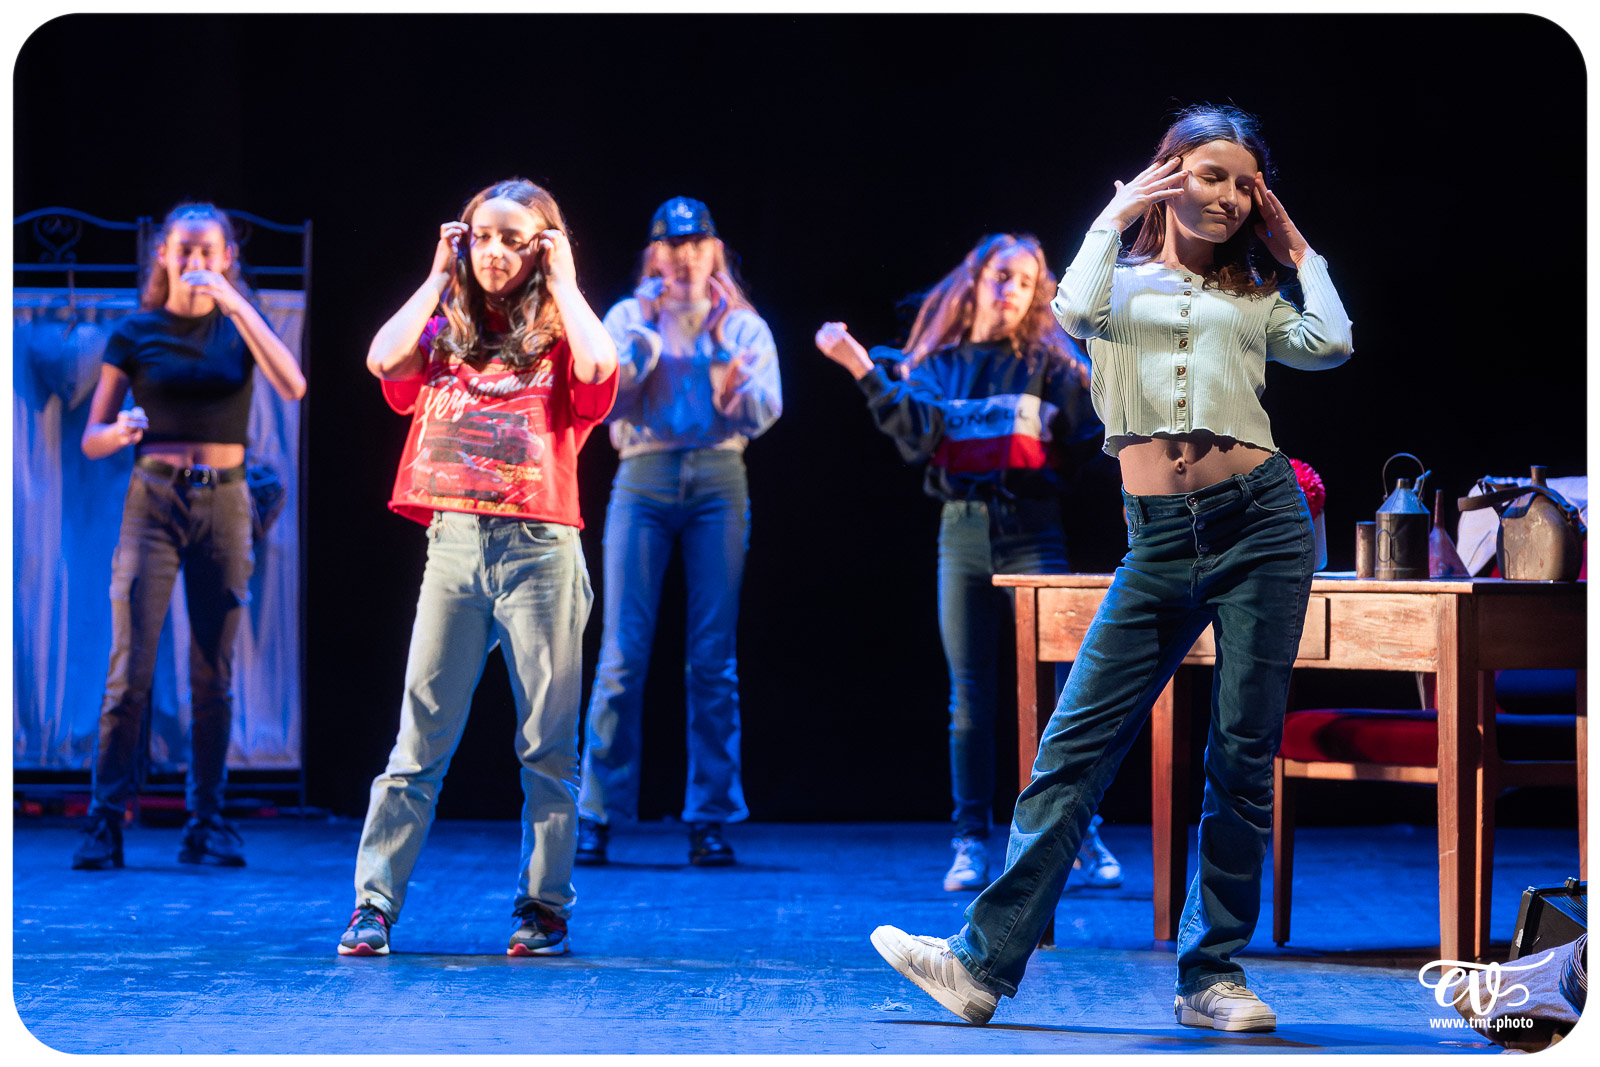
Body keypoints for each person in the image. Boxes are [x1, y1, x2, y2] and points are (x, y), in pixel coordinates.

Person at [868, 105, 1353, 1033]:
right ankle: (979, 965)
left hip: (1264, 527)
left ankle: (1212, 973)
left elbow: (1331, 343)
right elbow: (1074, 307)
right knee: (1073, 749)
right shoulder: (1113, 283)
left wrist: (1298, 250)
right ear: (1169, 175)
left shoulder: (1254, 297)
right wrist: (1119, 209)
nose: (1230, 197)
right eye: (1210, 175)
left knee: (1242, 756)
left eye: (1247, 184)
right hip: (1160, 540)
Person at [338, 179, 618, 957]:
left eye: (513, 238)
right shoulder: (444, 330)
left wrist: (566, 280)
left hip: (541, 551)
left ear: (542, 244)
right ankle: (373, 905)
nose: (495, 251)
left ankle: (543, 909)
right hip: (456, 544)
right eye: (480, 236)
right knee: (417, 742)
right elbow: (379, 357)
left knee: (547, 744)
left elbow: (600, 371)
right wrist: (437, 273)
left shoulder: (565, 332)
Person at [814, 232, 1122, 894]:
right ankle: (970, 839)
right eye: (1003, 276)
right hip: (963, 535)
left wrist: (1109, 377)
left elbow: (1093, 438)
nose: (1013, 289)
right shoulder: (939, 364)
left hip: (1036, 535)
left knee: (1062, 698)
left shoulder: (1051, 364)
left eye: (1027, 280)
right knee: (971, 697)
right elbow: (916, 432)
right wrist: (859, 367)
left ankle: (1075, 833)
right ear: (978, 281)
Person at [72, 202, 307, 871]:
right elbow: (92, 435)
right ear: (164, 256)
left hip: (227, 500)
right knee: (130, 673)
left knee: (215, 673)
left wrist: (234, 304)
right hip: (153, 499)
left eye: (210, 252)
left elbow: (292, 384)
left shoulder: (240, 327)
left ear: (228, 258)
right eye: (184, 250)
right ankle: (105, 819)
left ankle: (206, 819)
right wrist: (119, 431)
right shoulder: (137, 330)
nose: (197, 263)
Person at [577, 197, 782, 868]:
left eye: (698, 245)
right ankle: (594, 814)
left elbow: (764, 409)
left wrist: (737, 391)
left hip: (720, 479)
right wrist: (645, 344)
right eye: (674, 245)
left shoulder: (742, 325)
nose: (687, 256)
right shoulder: (628, 318)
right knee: (621, 655)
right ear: (655, 254)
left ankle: (710, 817)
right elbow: (606, 399)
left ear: (714, 251)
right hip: (644, 476)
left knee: (712, 657)